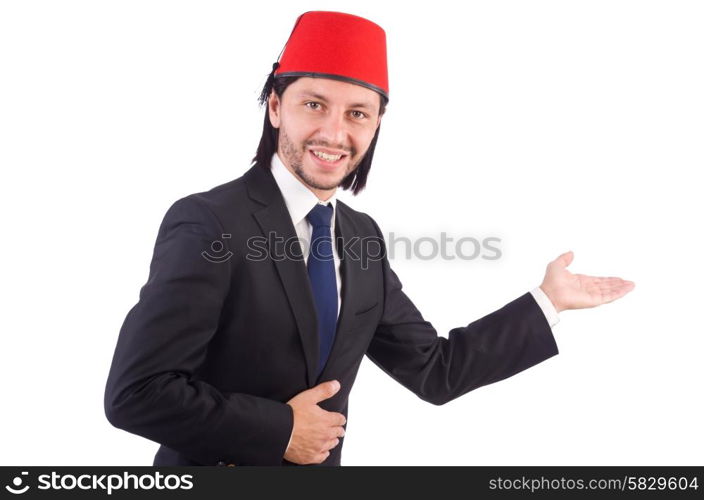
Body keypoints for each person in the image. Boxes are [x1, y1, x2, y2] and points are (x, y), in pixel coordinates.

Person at [104, 10, 635, 466]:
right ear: (274, 107)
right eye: (314, 104)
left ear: (377, 124)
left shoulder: (361, 239)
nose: (335, 133)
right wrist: (281, 430)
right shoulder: (208, 222)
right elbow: (137, 393)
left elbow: (434, 371)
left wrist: (548, 302)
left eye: (357, 113)